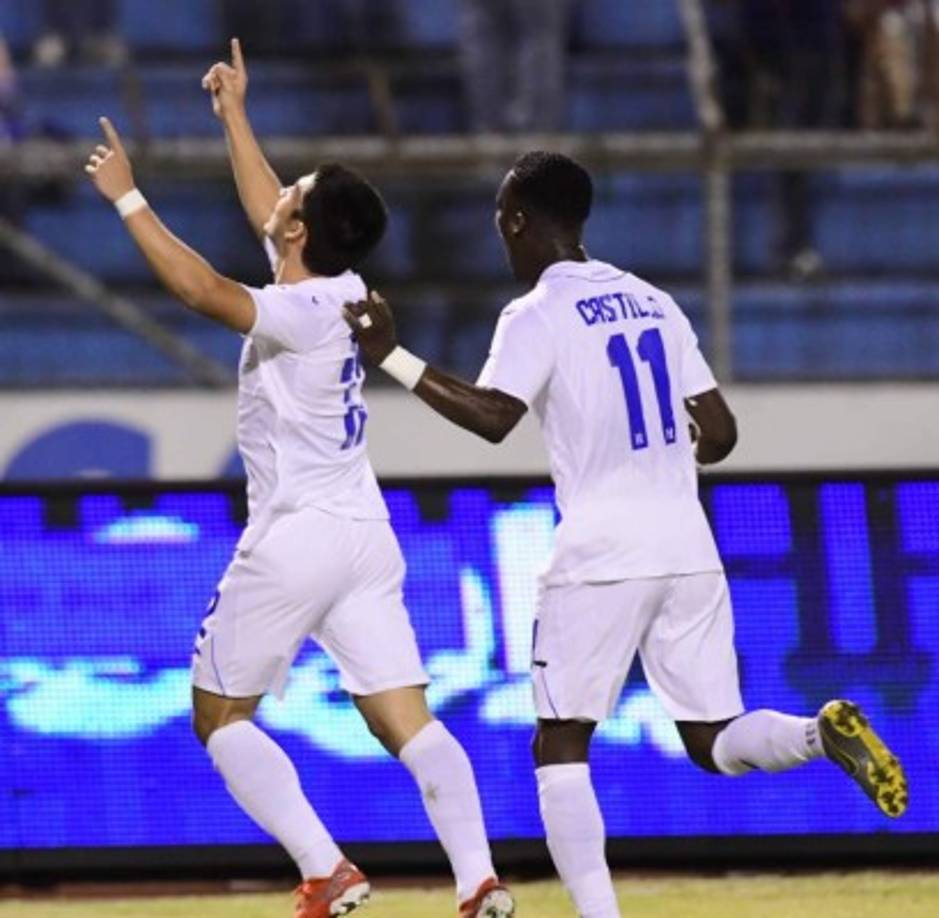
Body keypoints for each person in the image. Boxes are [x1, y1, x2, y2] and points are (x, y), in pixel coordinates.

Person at [344, 151, 910, 918]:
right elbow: (720, 432)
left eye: (502, 226)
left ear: (516, 221)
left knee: (559, 745)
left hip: (600, 556)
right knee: (712, 738)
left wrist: (391, 358)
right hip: (686, 548)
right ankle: (817, 734)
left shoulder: (536, 312)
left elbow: (492, 419)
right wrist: (654, 443)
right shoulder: (653, 301)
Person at [83, 38, 514, 918]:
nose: (280, 194)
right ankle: (478, 881)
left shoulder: (297, 309)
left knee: (219, 715)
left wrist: (126, 196)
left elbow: (203, 290)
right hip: (363, 535)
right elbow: (267, 222)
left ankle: (326, 868)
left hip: (296, 538)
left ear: (300, 229)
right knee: (406, 720)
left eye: (294, 193)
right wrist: (234, 115)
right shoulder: (337, 290)